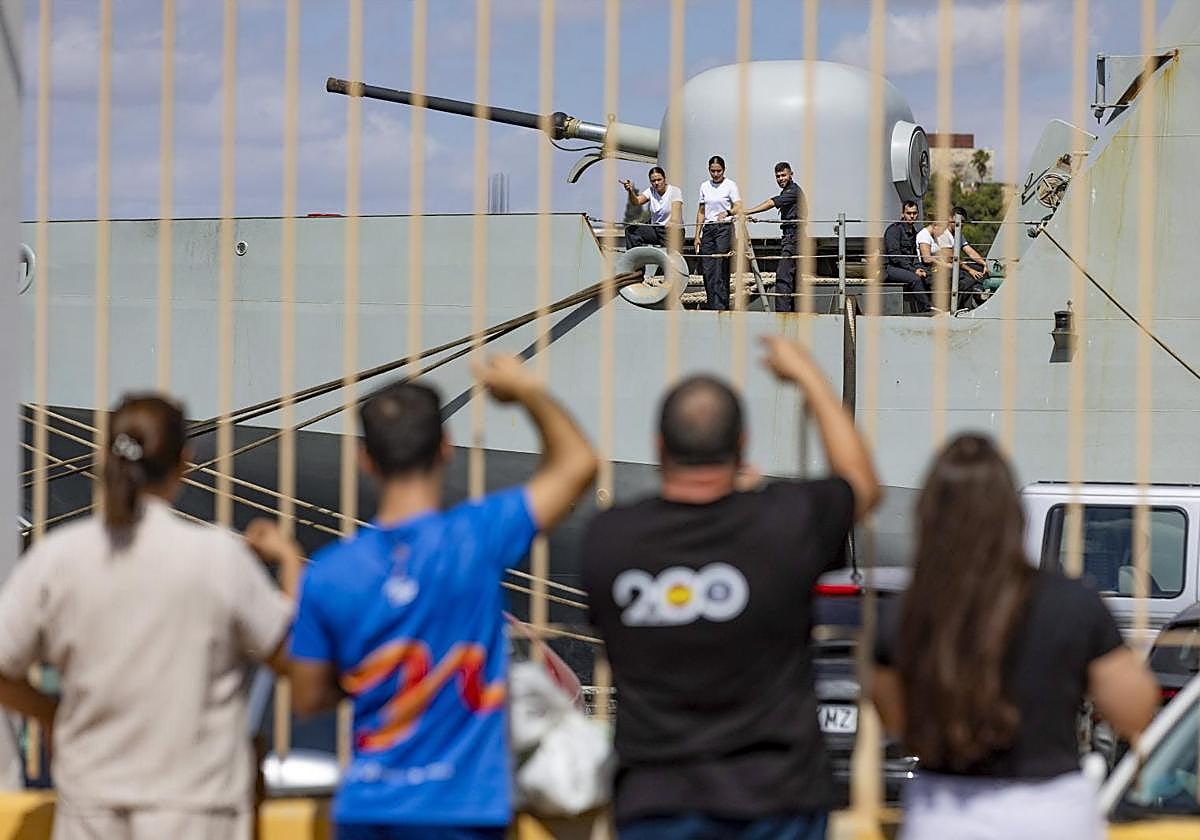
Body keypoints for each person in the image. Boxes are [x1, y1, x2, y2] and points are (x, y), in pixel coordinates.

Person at [583, 337, 881, 840]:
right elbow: (862, 484)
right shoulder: (782, 524)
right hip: (777, 799)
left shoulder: (610, 539)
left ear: (659, 448)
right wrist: (809, 377)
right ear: (742, 445)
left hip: (658, 801)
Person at [288, 357, 598, 840]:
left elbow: (308, 697)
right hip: (462, 807)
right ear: (446, 448)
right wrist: (526, 391)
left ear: (365, 459)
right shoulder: (475, 536)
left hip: (369, 806)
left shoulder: (329, 572)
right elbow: (578, 464)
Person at [0, 394, 298, 840]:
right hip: (195, 812)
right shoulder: (216, 557)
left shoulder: (59, 558)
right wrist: (289, 561)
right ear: (184, 460)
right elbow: (291, 654)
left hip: (92, 812)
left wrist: (53, 714)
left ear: (107, 457)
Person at [872, 435, 1160, 840]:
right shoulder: (1072, 603)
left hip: (944, 812)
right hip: (1050, 814)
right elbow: (1134, 712)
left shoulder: (905, 613)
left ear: (928, 516)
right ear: (1013, 516)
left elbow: (899, 721)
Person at [742, 161, 806, 313]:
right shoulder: (788, 191)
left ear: (791, 174)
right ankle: (795, 312)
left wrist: (747, 211)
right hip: (793, 236)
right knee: (794, 278)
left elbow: (772, 202)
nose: (780, 179)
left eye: (783, 175)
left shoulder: (793, 191)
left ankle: (783, 314)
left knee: (783, 276)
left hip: (794, 237)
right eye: (778, 176)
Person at [694, 155, 742, 311]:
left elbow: (738, 206)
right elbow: (701, 211)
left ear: (724, 170)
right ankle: (711, 305)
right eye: (713, 171)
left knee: (720, 268)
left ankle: (721, 306)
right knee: (708, 269)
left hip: (724, 228)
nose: (715, 174)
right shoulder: (704, 186)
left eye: (719, 171)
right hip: (708, 229)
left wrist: (728, 212)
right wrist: (697, 235)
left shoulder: (730, 185)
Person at [882, 200, 931, 313]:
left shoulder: (913, 232)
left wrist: (920, 268)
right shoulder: (894, 230)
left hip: (905, 267)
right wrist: (913, 270)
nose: (912, 216)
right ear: (903, 214)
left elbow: (914, 256)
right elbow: (895, 257)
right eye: (909, 213)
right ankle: (927, 309)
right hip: (890, 268)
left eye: (914, 213)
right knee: (915, 279)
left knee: (928, 275)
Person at [621, 166, 683, 249]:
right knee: (631, 231)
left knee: (670, 255)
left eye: (659, 179)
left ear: (665, 179)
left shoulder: (675, 191)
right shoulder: (650, 191)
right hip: (656, 230)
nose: (656, 183)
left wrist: (672, 222)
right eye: (653, 181)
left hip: (672, 232)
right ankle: (636, 255)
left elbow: (676, 214)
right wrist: (630, 191)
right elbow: (636, 202)